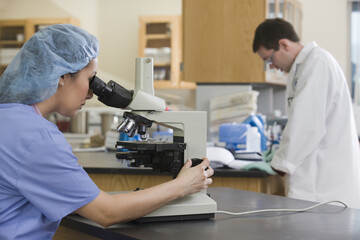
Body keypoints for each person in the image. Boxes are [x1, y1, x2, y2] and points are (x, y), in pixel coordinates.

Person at [0, 24, 214, 239]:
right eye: (90, 79)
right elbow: (106, 212)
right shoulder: (35, 136)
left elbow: (64, 196)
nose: (92, 93)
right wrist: (183, 186)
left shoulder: (10, 119)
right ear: (62, 76)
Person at [252, 18, 360, 208]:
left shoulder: (317, 63)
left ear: (283, 44)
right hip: (320, 179)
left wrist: (280, 163)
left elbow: (306, 124)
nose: (272, 66)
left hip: (324, 184)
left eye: (270, 59)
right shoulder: (306, 66)